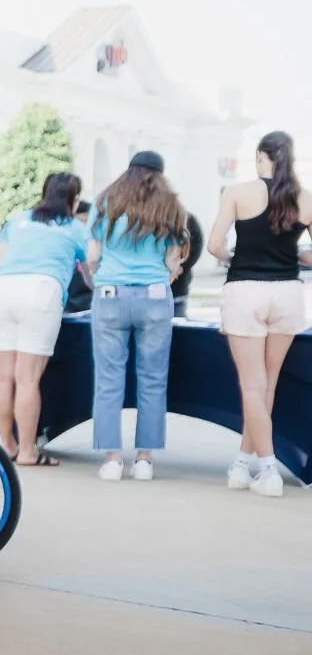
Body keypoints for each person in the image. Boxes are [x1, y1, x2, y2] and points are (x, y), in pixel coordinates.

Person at [206, 130, 312, 497]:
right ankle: (242, 464)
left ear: (259, 157)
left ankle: (268, 470)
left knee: (251, 386)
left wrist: (235, 257)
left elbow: (214, 245)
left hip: (246, 290)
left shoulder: (237, 192)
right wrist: (294, 255)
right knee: (267, 384)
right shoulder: (305, 197)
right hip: (288, 293)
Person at [86, 151, 187, 482]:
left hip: (110, 294)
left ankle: (112, 460)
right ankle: (144, 460)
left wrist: (100, 275)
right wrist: (164, 276)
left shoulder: (105, 203)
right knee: (153, 378)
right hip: (154, 297)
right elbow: (172, 261)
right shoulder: (171, 206)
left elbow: (93, 255)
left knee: (108, 379)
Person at [0, 173, 89, 466]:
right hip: (41, 291)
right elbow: (90, 268)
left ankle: (7, 445)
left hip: (2, 289)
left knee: (2, 375)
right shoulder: (75, 227)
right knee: (27, 379)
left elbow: (0, 261)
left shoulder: (17, 219)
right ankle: (28, 451)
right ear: (74, 199)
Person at [169, 207, 203, 319]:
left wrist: (179, 268)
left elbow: (196, 248)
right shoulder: (146, 218)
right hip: (154, 292)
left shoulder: (186, 218)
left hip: (177, 289)